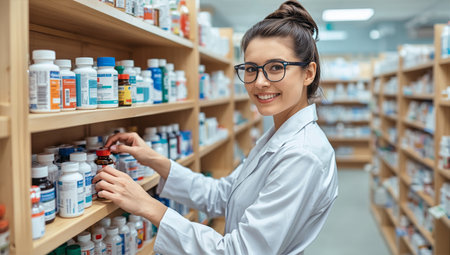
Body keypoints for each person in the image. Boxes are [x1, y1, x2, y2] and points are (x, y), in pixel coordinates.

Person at [93, 1, 338, 254]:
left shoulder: (302, 155)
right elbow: (223, 195)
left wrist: (148, 206)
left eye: (276, 67)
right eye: (251, 69)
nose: (260, 82)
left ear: (308, 73)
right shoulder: (278, 136)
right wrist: (153, 159)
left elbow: (239, 251)